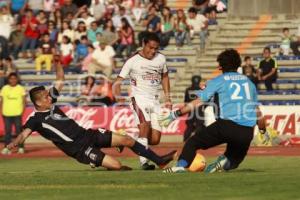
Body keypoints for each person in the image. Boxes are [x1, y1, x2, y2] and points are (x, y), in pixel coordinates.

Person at [6, 57, 176, 170]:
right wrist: (15, 142)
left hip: (87, 135)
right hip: (79, 149)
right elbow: (24, 134)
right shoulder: (35, 119)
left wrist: (58, 64)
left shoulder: (51, 101)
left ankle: (159, 161)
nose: (49, 96)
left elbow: (60, 81)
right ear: (38, 102)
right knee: (117, 166)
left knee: (128, 139)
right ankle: (99, 162)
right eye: (45, 96)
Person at [159, 49, 267, 173]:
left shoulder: (218, 80)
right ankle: (224, 162)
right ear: (238, 65)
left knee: (192, 143)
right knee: (234, 160)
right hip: (247, 131)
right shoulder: (250, 83)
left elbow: (199, 102)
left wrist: (175, 114)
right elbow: (257, 112)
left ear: (220, 66)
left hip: (227, 126)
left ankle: (180, 166)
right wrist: (263, 131)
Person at [114, 32, 172, 170]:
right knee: (144, 127)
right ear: (143, 44)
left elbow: (165, 77)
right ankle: (144, 162)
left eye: (156, 48)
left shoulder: (161, 59)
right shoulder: (132, 61)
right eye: (150, 48)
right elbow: (118, 81)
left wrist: (168, 97)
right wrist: (117, 95)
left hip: (155, 101)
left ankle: (124, 138)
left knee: (155, 139)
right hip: (139, 98)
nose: (153, 51)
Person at [1, 72, 26, 155]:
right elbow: (2, 101)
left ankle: (21, 147)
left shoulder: (20, 88)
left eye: (14, 78)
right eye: (11, 78)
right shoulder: (4, 88)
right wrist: (1, 110)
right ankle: (7, 148)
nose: (13, 80)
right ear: (8, 80)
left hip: (17, 113)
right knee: (7, 132)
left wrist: (22, 110)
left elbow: (24, 101)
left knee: (19, 132)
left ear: (17, 79)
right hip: (6, 113)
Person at [183, 75, 206, 142]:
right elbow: (205, 100)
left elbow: (185, 102)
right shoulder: (202, 89)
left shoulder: (188, 90)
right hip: (199, 110)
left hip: (190, 110)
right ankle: (197, 140)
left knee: (189, 127)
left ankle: (184, 141)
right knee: (200, 125)